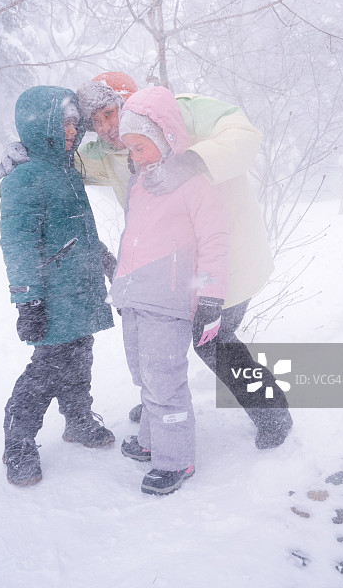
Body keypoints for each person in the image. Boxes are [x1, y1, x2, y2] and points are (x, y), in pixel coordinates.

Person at [0, 71, 292, 449]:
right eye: (96, 122)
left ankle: (271, 410)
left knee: (211, 341)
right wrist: (27, 153)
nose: (106, 128)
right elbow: (66, 162)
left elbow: (246, 137)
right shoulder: (111, 151)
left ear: (128, 99)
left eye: (110, 112)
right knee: (161, 339)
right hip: (176, 269)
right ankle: (160, 405)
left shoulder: (183, 112)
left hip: (226, 257)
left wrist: (191, 163)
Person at [109, 85, 229, 495]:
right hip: (135, 296)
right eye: (131, 148)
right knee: (144, 374)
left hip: (169, 300)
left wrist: (210, 299)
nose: (135, 156)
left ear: (165, 138)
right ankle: (150, 440)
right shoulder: (139, 183)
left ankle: (176, 459)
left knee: (164, 380)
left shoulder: (195, 184)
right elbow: (135, 237)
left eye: (141, 146)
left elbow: (215, 241)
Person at [0, 85, 115, 487]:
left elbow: (78, 229)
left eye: (74, 123)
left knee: (81, 355)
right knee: (46, 371)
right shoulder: (25, 177)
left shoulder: (67, 170)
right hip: (52, 294)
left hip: (80, 287)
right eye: (63, 123)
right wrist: (28, 301)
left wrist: (106, 261)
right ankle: (17, 442)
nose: (71, 131)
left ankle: (78, 419)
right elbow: (18, 243)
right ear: (42, 124)